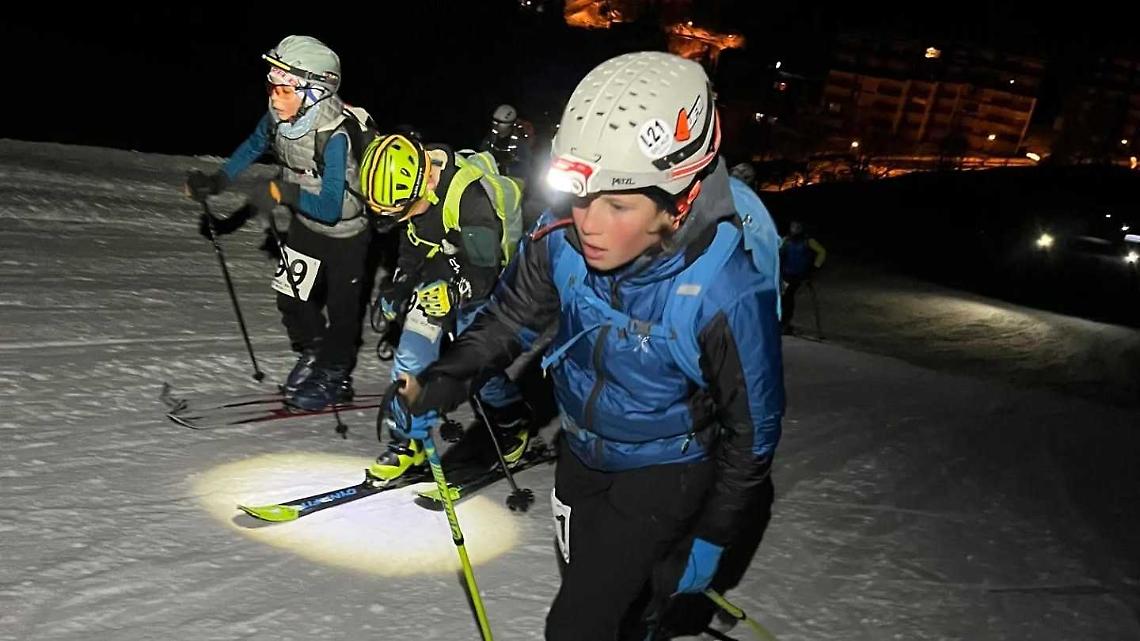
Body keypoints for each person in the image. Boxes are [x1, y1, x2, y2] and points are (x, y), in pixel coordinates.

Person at [388, 51, 784, 639]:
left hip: (664, 471)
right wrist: (444, 380)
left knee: (577, 626)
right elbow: (509, 318)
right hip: (581, 456)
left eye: (618, 205)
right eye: (579, 196)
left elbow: (753, 432)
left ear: (678, 203)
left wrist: (711, 535)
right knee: (601, 600)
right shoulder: (566, 238)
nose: (590, 223)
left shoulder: (724, 290)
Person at [184, 35, 373, 410]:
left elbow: (332, 207)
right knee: (290, 297)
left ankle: (336, 375)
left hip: (346, 236)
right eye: (272, 85)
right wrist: (218, 181)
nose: (274, 95)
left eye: (285, 87)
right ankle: (315, 354)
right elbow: (254, 145)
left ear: (316, 90)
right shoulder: (281, 117)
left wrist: (283, 194)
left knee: (342, 312)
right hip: (305, 224)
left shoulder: (334, 136)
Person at [357, 134, 531, 482]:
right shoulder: (412, 198)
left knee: (472, 363)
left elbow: (485, 270)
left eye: (399, 212)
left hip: (481, 278)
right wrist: (399, 286)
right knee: (410, 354)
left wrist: (455, 293)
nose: (398, 220)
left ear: (425, 186)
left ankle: (512, 417)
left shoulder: (469, 199)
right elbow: (414, 245)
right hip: (440, 273)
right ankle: (408, 443)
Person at [779, 220, 826, 335]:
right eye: (793, 227)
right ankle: (783, 323)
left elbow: (822, 252)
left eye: (797, 227)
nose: (795, 229)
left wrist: (815, 267)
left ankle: (785, 323)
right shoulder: (786, 240)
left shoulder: (808, 241)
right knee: (784, 298)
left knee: (788, 297)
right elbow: (778, 252)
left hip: (799, 274)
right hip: (786, 274)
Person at [479, 103, 533, 179]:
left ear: (509, 124)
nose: (495, 125)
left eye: (499, 122)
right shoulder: (491, 137)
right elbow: (482, 152)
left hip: (513, 178)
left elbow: (525, 167)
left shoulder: (521, 142)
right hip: (493, 176)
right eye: (494, 121)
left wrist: (506, 169)